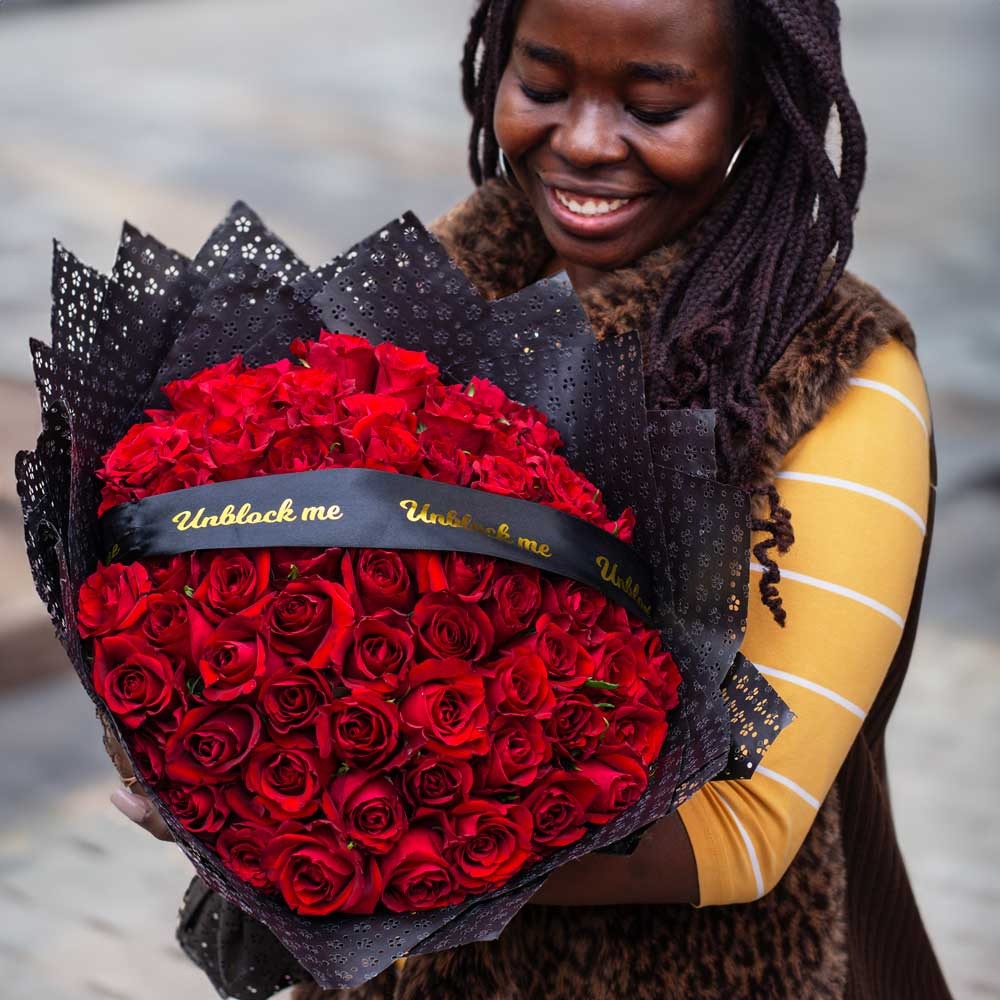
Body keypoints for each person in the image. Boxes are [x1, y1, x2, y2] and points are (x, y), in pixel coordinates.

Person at [109, 0, 951, 996]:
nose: (585, 142)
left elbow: (749, 829)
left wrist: (314, 833)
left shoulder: (836, 373)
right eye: (543, 87)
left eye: (655, 104)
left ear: (754, 109)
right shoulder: (440, 288)